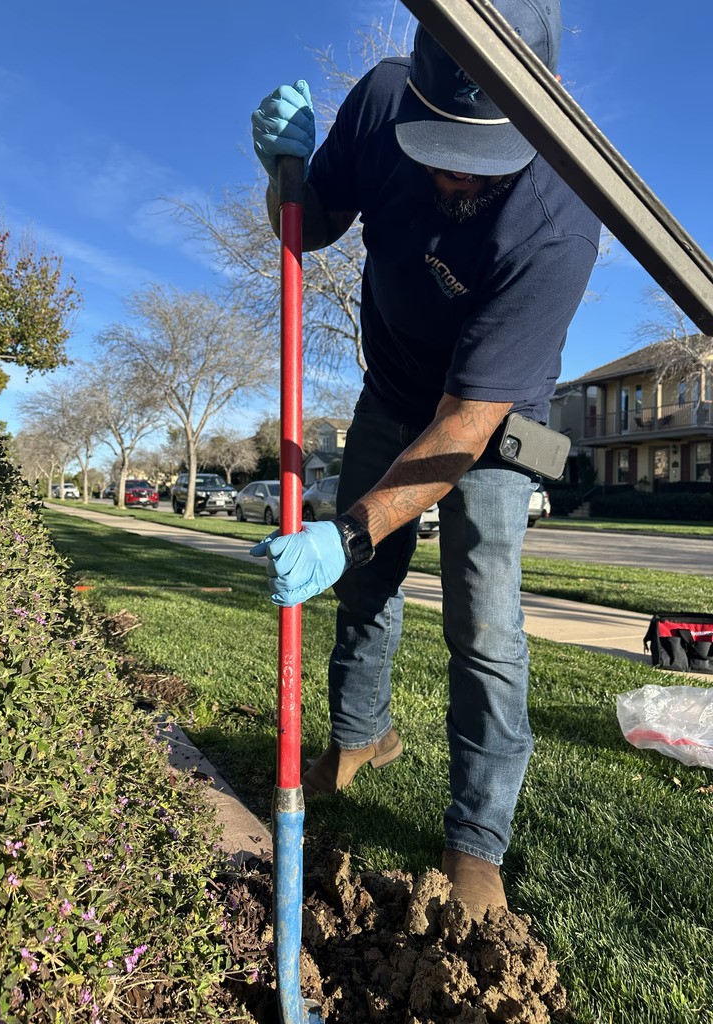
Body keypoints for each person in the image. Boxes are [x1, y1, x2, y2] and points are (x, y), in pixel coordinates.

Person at [250, 0, 600, 919]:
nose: (450, 173)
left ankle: (475, 839)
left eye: (477, 155)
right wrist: (280, 170)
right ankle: (360, 739)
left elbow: (463, 425)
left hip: (487, 417)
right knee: (364, 589)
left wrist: (347, 530)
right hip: (394, 387)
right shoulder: (379, 101)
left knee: (482, 625)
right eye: (437, 142)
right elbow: (310, 225)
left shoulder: (564, 214)